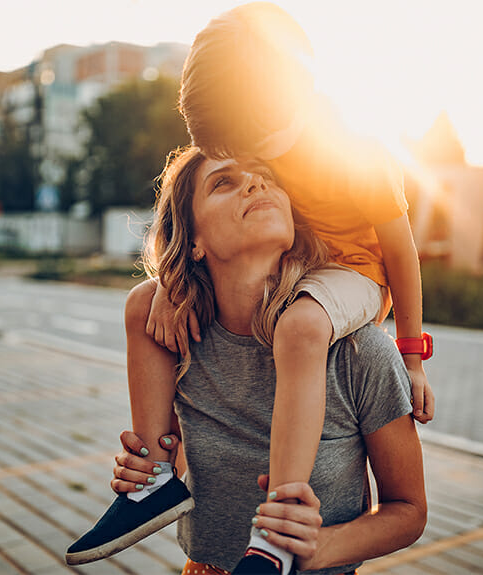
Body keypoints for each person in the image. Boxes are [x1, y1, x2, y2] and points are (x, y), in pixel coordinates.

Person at [143, 3, 434, 572]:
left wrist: (412, 357)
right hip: (309, 270)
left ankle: (281, 518)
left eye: (259, 145)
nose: (256, 166)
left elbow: (401, 251)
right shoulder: (253, 132)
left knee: (300, 326)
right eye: (235, 155)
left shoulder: (355, 147)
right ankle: (148, 491)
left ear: (298, 92)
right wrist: (171, 282)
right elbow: (198, 212)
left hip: (359, 276)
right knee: (148, 303)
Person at [67, 148, 427, 575]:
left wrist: (322, 546)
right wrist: (151, 463)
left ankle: (274, 542)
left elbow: (409, 511)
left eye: (266, 176)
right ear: (194, 240)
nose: (255, 184)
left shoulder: (358, 354)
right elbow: (194, 459)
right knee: (139, 302)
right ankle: (150, 486)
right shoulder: (177, 334)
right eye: (223, 182)